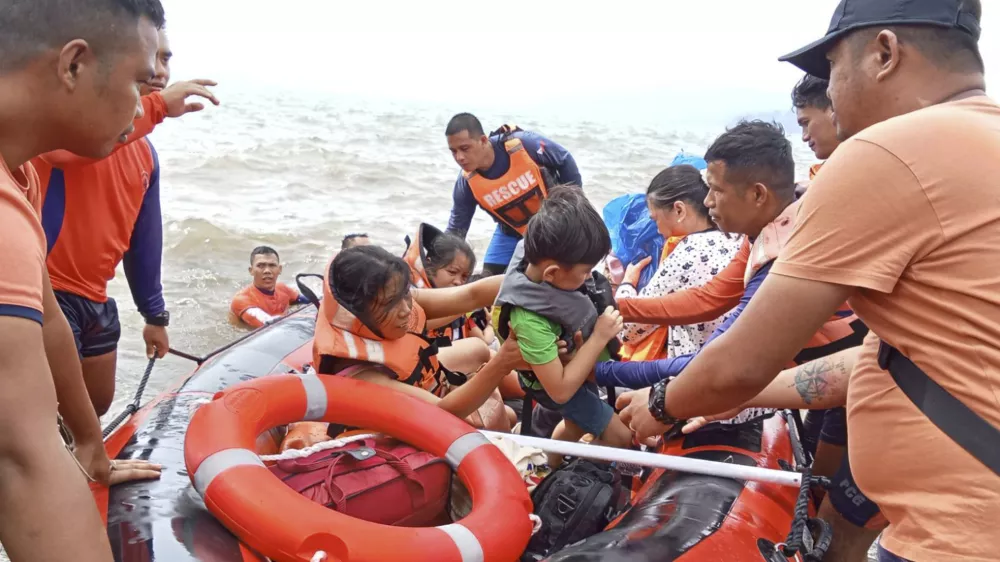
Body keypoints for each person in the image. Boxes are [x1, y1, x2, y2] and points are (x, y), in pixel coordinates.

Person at [620, 1, 998, 561]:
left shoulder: (886, 152)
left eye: (832, 68)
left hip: (958, 534)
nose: (830, 94)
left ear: (885, 53)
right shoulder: (979, 144)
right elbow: (884, 357)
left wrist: (662, 402)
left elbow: (740, 361)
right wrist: (726, 396)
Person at [0, 1, 169, 560]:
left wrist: (92, 445)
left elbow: (45, 315)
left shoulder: (19, 170)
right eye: (139, 83)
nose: (144, 103)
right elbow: (21, 458)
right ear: (74, 65)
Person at [36, 26, 219, 416]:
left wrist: (154, 315)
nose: (159, 70)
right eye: (150, 57)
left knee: (97, 406)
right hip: (46, 291)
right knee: (53, 411)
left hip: (96, 300)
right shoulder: (73, 128)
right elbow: (62, 155)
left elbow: (144, 240)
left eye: (166, 58)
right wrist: (155, 109)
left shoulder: (146, 153)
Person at [493, 187, 631, 463]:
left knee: (576, 425)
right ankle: (580, 480)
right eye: (584, 272)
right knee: (621, 438)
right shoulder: (530, 320)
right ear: (553, 273)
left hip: (565, 362)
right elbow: (560, 390)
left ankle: (551, 465)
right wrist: (600, 337)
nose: (589, 278)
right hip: (551, 385)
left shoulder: (539, 259)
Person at [312, 245, 525, 422]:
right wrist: (501, 364)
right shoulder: (361, 376)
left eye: (405, 294)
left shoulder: (389, 298)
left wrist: (532, 284)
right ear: (356, 315)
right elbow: (444, 414)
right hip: (424, 421)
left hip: (423, 384)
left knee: (478, 348)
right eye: (390, 304)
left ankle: (529, 392)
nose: (406, 309)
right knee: (506, 416)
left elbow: (470, 295)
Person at [616, 165, 742, 361]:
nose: (657, 230)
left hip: (694, 371)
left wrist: (626, 284)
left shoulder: (688, 252)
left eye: (655, 219)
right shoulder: (739, 237)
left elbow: (628, 330)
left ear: (679, 210)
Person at [445, 113, 582, 275]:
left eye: (465, 148)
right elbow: (457, 228)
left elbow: (564, 159)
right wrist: (439, 258)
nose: (459, 157)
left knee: (555, 275)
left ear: (483, 141)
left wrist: (575, 210)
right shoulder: (466, 183)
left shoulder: (525, 144)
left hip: (554, 226)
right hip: (510, 232)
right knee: (487, 281)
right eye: (453, 151)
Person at [402, 223, 492, 375]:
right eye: (452, 272)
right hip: (423, 367)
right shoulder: (409, 293)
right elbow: (420, 324)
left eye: (464, 277)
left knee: (492, 357)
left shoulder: (462, 302)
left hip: (458, 364)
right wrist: (468, 303)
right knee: (479, 349)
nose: (458, 281)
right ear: (429, 265)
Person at [230, 246, 309, 329]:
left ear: (279, 269)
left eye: (272, 265)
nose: (267, 270)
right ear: (251, 270)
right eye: (261, 266)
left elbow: (310, 300)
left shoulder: (283, 289)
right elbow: (266, 321)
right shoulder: (241, 299)